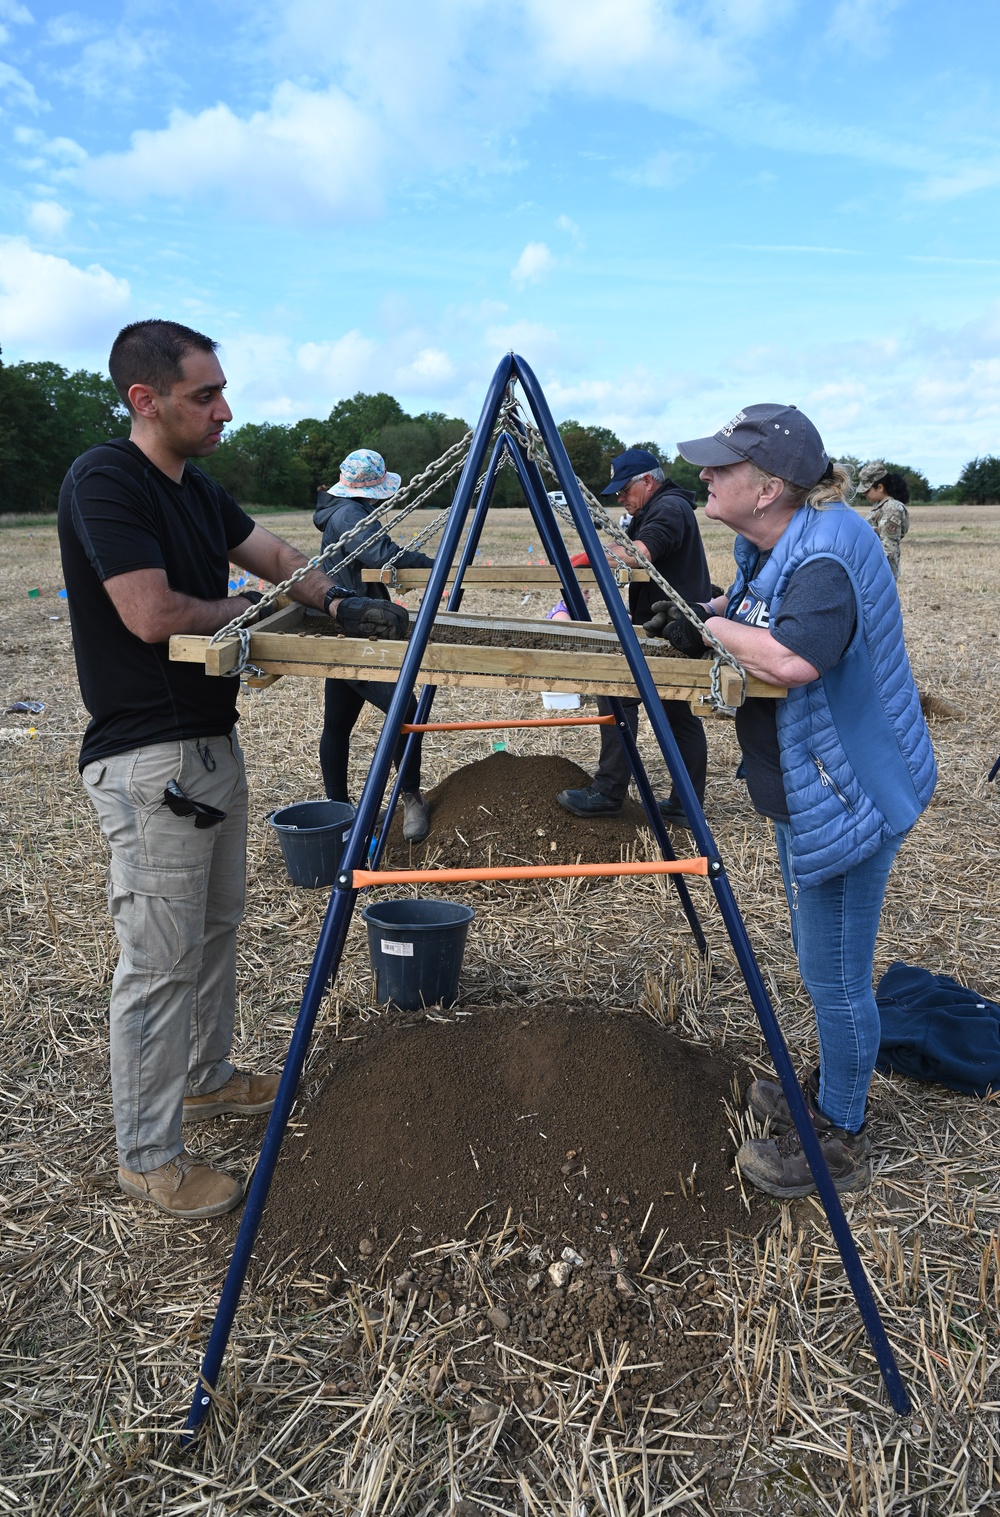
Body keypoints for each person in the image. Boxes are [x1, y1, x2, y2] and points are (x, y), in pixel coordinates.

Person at [58, 320, 408, 1222]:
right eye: (204, 394)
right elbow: (150, 613)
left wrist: (338, 598)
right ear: (146, 400)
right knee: (159, 961)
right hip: (150, 756)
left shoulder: (198, 489)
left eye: (221, 390)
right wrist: (246, 610)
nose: (224, 408)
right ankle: (147, 1156)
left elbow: (280, 558)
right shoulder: (106, 480)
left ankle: (206, 1078)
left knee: (214, 931)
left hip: (208, 744)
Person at [667, 404, 935, 1199]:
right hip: (813, 790)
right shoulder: (775, 541)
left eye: (722, 466)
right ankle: (829, 1088)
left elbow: (790, 657)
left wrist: (710, 632)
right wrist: (714, 614)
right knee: (822, 959)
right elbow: (758, 619)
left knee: (837, 975)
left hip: (850, 795)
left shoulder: (825, 557)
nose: (706, 475)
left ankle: (839, 1133)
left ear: (770, 486)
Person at [555, 448, 712, 826]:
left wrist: (587, 557)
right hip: (667, 627)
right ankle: (686, 804)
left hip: (670, 631)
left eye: (624, 490)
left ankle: (608, 793)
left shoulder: (668, 509)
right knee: (678, 713)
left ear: (647, 480)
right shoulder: (653, 508)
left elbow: (639, 554)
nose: (621, 499)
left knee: (616, 691)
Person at [314, 449, 435, 842]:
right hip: (357, 629)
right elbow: (385, 556)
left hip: (354, 621)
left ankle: (340, 810)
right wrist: (438, 562)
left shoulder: (345, 511)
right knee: (406, 707)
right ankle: (411, 796)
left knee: (338, 723)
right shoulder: (350, 515)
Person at [857, 461, 910, 578]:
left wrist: (876, 575)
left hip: (881, 574)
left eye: (867, 490)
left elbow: (888, 549)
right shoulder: (882, 507)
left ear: (880, 487)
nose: (864, 494)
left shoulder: (892, 509)